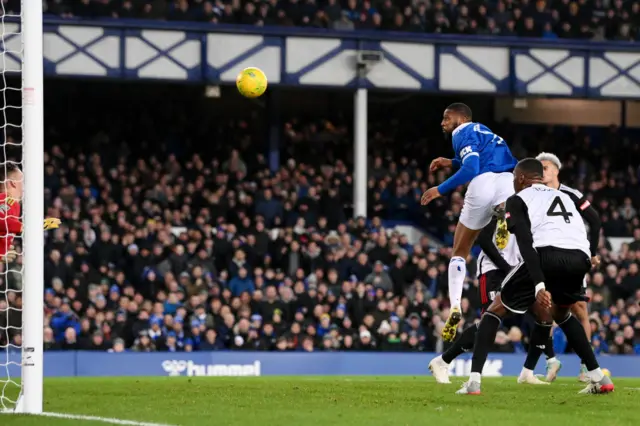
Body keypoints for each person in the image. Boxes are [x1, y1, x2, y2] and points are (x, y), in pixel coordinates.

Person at [456, 158, 614, 395]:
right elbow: (591, 221)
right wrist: (590, 255)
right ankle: (598, 377)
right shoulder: (564, 195)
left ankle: (474, 382)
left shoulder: (518, 198)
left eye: (513, 179)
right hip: (579, 259)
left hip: (546, 254)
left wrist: (539, 283)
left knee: (494, 310)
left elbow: (525, 243)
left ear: (520, 178)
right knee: (562, 313)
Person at [420, 103, 518, 342]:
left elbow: (472, 167)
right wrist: (449, 161)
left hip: (482, 184)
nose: (443, 123)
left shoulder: (461, 132)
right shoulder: (488, 133)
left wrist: (439, 190)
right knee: (506, 216)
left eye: (446, 117)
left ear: (462, 118)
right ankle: (503, 214)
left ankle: (454, 306)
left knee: (459, 251)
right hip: (508, 182)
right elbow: (479, 158)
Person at [516, 152, 602, 384]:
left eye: (545, 167)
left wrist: (592, 252)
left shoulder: (571, 194)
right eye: (538, 168)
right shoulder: (533, 194)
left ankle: (585, 365)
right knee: (547, 309)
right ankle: (549, 360)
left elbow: (594, 220)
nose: (541, 171)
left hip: (567, 253)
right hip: (548, 255)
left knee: (578, 310)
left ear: (556, 171)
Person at [429, 210, 526, 383]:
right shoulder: (499, 211)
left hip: (512, 271)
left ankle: (532, 369)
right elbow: (483, 240)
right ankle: (447, 363)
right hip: (492, 271)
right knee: (488, 323)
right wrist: (507, 267)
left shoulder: (525, 211)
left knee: (492, 324)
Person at [0, 164, 61, 261]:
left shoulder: (12, 204)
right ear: (13, 183)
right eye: (23, 180)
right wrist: (30, 227)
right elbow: (1, 220)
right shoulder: (7, 201)